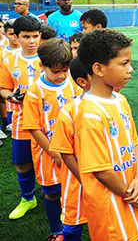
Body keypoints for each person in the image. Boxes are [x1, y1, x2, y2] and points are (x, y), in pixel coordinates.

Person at [76, 29, 138, 240]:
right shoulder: (90, 114)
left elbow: (134, 144)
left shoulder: (120, 100)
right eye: (124, 64)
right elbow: (101, 171)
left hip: (131, 194)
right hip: (111, 207)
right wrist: (136, 198)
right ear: (99, 69)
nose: (130, 69)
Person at [23, 38, 81, 240]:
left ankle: (77, 220)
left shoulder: (73, 84)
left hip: (73, 151)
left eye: (64, 71)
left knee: (74, 188)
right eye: (55, 72)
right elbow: (32, 127)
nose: (60, 76)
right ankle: (56, 230)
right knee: (53, 191)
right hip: (49, 154)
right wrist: (54, 152)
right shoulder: (34, 91)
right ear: (42, 66)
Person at [0, 16, 43, 220]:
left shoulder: (48, 55)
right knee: (23, 163)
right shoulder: (8, 59)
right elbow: (3, 88)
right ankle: (28, 198)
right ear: (16, 37)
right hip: (22, 120)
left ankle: (63, 199)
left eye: (35, 36)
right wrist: (11, 96)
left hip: (50, 120)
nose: (32, 41)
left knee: (58, 160)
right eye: (27, 37)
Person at [49, 57, 90, 240]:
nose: (129, 71)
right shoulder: (70, 111)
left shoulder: (119, 102)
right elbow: (65, 152)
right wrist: (84, 179)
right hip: (76, 180)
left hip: (110, 178)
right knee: (73, 223)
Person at [1, 19, 21, 133]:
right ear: (5, 34)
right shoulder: (2, 53)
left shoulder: (28, 51)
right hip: (10, 98)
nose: (14, 37)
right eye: (11, 34)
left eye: (16, 33)